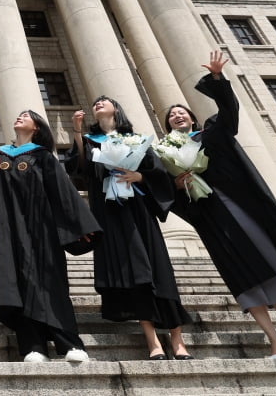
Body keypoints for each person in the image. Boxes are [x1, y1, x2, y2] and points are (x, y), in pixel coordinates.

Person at [165, 50, 276, 359]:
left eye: (181, 111)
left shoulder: (213, 131)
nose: (176, 115)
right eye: (171, 115)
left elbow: (229, 110)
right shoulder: (167, 154)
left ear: (191, 117)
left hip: (238, 205)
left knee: (269, 263)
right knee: (240, 276)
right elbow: (167, 193)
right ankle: (274, 341)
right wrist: (176, 183)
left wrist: (217, 78)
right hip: (211, 218)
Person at [67, 96, 192, 360]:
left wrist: (140, 176)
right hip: (110, 212)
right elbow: (80, 166)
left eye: (104, 101)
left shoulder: (135, 139)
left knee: (157, 269)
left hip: (138, 210)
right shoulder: (90, 140)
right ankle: (152, 341)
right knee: (133, 274)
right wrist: (77, 132)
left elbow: (158, 174)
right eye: (95, 103)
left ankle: (177, 338)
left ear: (117, 108)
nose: (98, 103)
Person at [0, 110, 99, 363]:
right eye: (17, 115)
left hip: (42, 228)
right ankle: (33, 346)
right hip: (10, 231)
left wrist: (82, 225)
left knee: (51, 280)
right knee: (19, 283)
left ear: (37, 127)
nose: (19, 117)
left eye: (26, 116)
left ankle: (69, 343)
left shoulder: (42, 157)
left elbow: (63, 192)